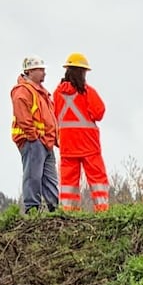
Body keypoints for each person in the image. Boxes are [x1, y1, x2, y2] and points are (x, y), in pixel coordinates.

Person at [52, 53, 109, 213]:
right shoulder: (88, 92)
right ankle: (102, 210)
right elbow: (99, 113)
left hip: (68, 146)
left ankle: (69, 213)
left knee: (68, 183)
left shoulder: (57, 94)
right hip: (88, 145)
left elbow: (53, 117)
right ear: (82, 72)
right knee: (97, 179)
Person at [10, 56, 60, 212]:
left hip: (46, 141)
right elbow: (23, 116)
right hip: (33, 141)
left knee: (50, 178)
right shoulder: (23, 91)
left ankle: (55, 210)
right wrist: (33, 136)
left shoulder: (42, 93)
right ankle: (32, 209)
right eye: (40, 69)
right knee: (33, 176)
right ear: (30, 71)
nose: (44, 73)